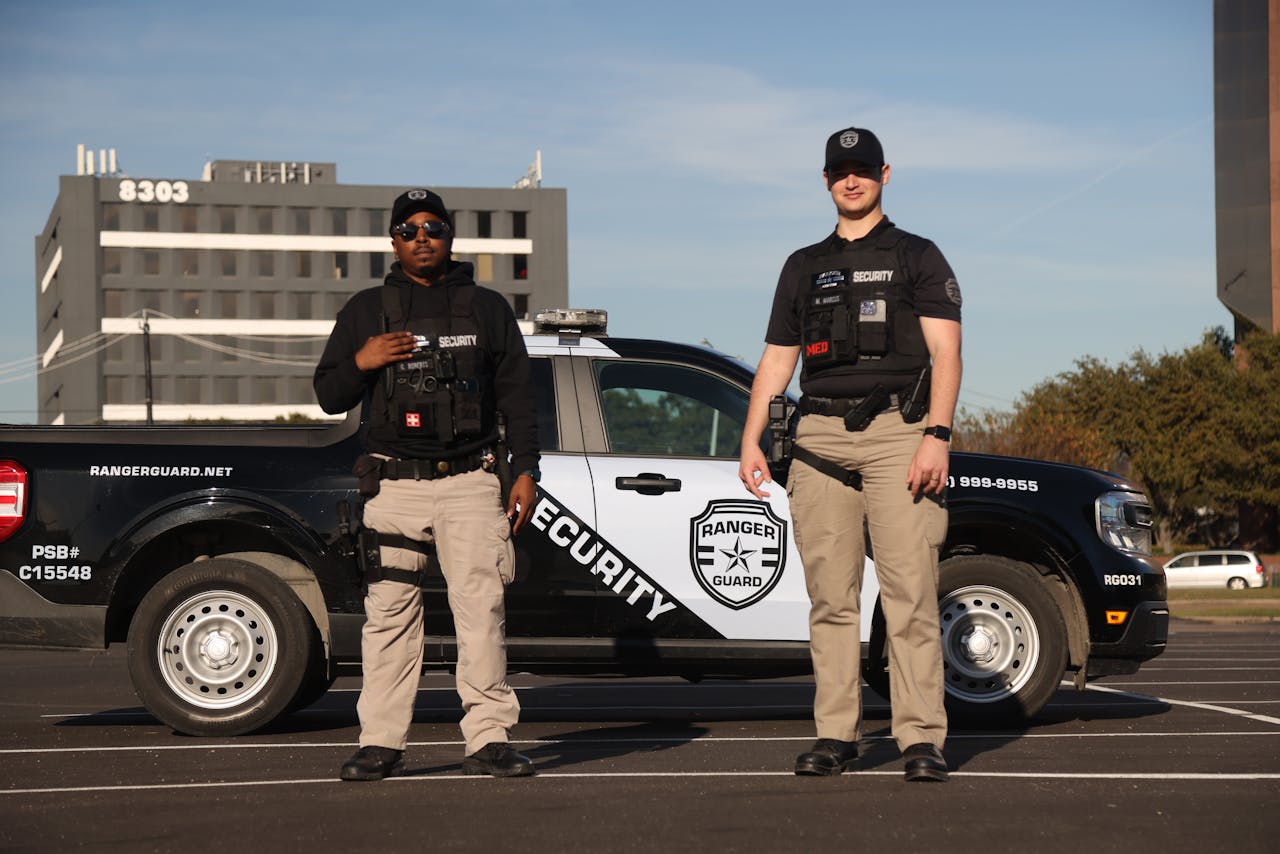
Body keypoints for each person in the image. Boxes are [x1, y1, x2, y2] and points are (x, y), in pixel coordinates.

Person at [737, 127, 962, 783]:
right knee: (830, 599)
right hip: (817, 437)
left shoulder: (919, 256)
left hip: (901, 432)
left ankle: (921, 738)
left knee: (908, 595)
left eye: (863, 168)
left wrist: (937, 436)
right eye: (841, 170)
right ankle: (837, 734)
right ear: (827, 179)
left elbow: (946, 353)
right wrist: (751, 437)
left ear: (885, 174)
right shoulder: (803, 265)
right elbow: (778, 358)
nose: (852, 179)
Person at [315, 188, 540, 781]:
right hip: (394, 486)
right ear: (393, 240)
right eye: (409, 228)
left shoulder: (487, 307)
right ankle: (382, 742)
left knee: (480, 611)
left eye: (433, 227)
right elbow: (327, 394)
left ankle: (489, 737)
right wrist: (361, 362)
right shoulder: (365, 310)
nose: (422, 237)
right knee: (388, 616)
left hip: (472, 481)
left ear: (449, 237)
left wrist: (526, 471)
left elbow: (518, 397)